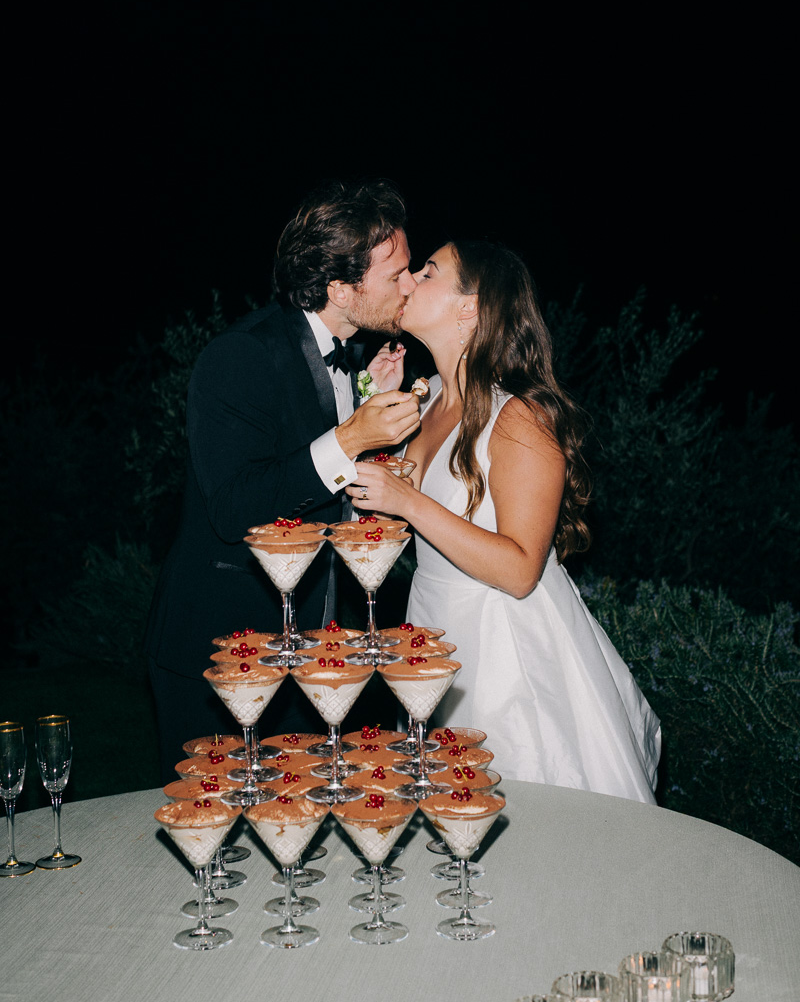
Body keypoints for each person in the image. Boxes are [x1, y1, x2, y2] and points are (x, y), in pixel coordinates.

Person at [346, 240, 661, 803]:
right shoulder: (429, 400)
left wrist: (410, 501)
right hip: (432, 627)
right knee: (441, 805)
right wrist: (374, 406)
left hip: (504, 646)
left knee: (517, 806)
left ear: (470, 307)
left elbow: (519, 571)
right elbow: (382, 516)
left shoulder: (520, 417)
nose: (409, 279)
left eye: (429, 272)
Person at [144, 180, 422, 782]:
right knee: (219, 826)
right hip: (223, 654)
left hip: (312, 654)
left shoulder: (354, 355)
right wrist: (350, 438)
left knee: (303, 820)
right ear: (341, 288)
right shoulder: (240, 356)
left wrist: (364, 411)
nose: (410, 285)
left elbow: (325, 491)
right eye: (397, 274)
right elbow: (234, 508)